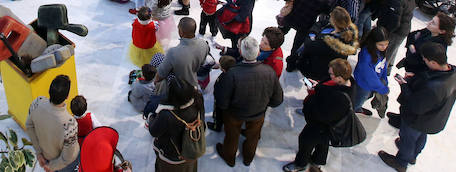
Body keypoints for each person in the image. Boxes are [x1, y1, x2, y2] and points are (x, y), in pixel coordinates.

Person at [378, 43, 456, 172]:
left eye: (425, 60)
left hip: (418, 119)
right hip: (434, 119)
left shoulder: (433, 88)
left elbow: (415, 105)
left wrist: (404, 85)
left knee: (408, 139)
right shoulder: (455, 72)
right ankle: (413, 156)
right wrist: (417, 79)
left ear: (433, 62)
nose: (423, 61)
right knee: (421, 136)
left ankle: (401, 162)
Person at [213, 36, 284, 167]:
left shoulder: (232, 74)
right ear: (258, 53)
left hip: (234, 114)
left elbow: (222, 101)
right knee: (253, 137)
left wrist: (227, 109)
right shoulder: (269, 72)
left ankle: (229, 157)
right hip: (258, 114)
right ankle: (248, 158)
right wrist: (263, 106)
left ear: (240, 52)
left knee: (231, 136)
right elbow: (277, 99)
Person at [282, 58, 356, 172]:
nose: (329, 74)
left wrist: (311, 97)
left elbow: (321, 114)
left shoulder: (340, 98)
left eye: (331, 73)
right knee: (323, 142)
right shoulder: (347, 82)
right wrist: (318, 86)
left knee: (305, 140)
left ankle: (300, 163)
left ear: (340, 78)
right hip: (328, 127)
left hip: (322, 125)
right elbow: (328, 88)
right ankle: (318, 160)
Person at [147, 78, 205, 171]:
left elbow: (154, 131)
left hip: (172, 157)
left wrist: (151, 117)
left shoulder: (167, 114)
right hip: (192, 149)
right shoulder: (198, 100)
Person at [26, 75, 80, 172]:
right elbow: (67, 158)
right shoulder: (69, 124)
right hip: (63, 165)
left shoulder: (37, 103)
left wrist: (39, 153)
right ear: (67, 97)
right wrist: (51, 167)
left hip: (46, 156)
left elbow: (29, 126)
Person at [155, 17, 209, 92]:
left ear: (181, 32)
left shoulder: (173, 52)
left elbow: (161, 74)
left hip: (180, 84)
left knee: (157, 57)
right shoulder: (204, 44)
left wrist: (155, 82)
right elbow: (202, 62)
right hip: (194, 76)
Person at [378, 0, 414, 71]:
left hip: (395, 32)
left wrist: (384, 33)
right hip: (403, 28)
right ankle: (387, 70)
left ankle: (381, 75)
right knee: (392, 52)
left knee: (386, 55)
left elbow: (394, 22)